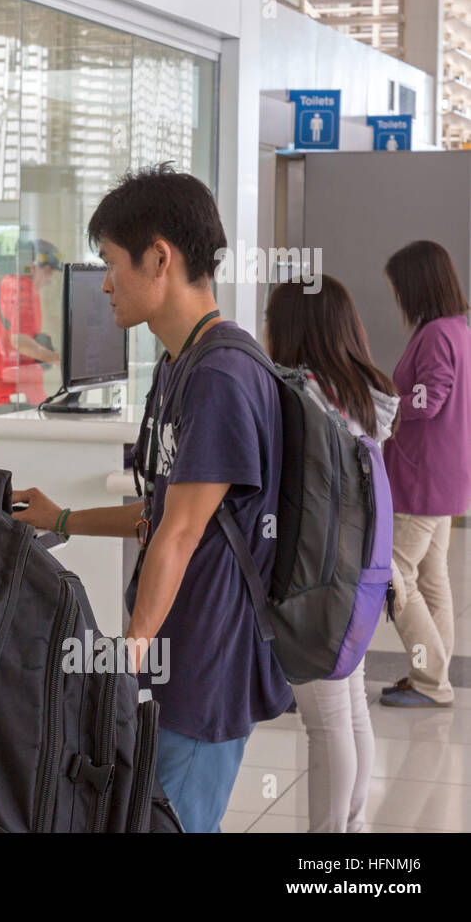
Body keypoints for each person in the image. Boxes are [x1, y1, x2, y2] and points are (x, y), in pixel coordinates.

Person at [11, 164, 292, 833]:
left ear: (159, 258)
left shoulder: (222, 374)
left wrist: (128, 654)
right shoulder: (179, 364)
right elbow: (164, 513)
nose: (104, 283)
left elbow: (182, 534)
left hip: (203, 670)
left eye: (111, 262)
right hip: (176, 659)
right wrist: (64, 518)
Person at [264, 275, 398, 832]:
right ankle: (353, 828)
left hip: (320, 581)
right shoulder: (364, 398)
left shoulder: (305, 401)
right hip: (362, 573)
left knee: (325, 722)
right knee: (350, 705)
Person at [378, 240, 471, 709]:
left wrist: (390, 407)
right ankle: (429, 676)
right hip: (445, 477)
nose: (398, 298)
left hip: (421, 479)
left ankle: (431, 679)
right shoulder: (458, 329)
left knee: (393, 577)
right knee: (432, 580)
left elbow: (429, 399)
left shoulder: (436, 334)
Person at [0, 239, 62, 409]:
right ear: (37, 267)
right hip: (16, 398)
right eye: (49, 272)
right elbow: (20, 341)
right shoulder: (25, 291)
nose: (48, 280)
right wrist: (56, 359)